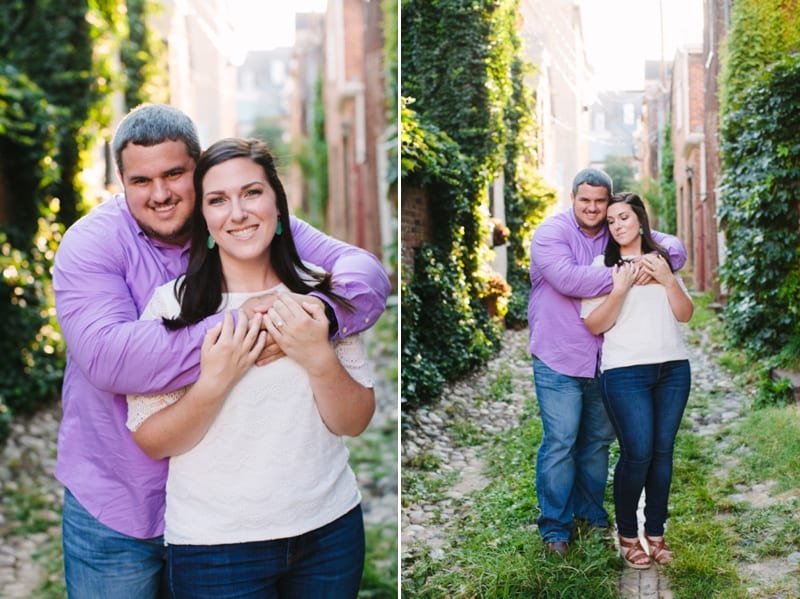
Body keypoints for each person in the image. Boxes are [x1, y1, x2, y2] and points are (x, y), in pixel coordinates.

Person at [52, 104, 390, 597]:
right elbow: (109, 357)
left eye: (174, 174)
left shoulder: (242, 224)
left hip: (251, 516)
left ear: (199, 166)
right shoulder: (92, 244)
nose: (161, 193)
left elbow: (364, 275)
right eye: (141, 181)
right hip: (121, 502)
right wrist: (251, 324)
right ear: (121, 183)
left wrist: (317, 320)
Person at [124, 137, 375, 597]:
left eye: (252, 193)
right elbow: (151, 439)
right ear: (205, 219)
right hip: (216, 549)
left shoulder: (320, 295)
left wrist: (317, 356)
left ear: (278, 204)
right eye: (218, 200)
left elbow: (354, 420)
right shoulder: (171, 306)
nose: (237, 213)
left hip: (329, 531)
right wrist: (214, 382)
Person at [528, 168, 686, 556]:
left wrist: (657, 262)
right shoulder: (552, 233)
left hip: (606, 358)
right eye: (586, 201)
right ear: (572, 198)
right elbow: (568, 279)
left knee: (597, 443)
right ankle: (556, 530)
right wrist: (631, 272)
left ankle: (593, 517)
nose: (595, 208)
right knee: (562, 441)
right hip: (560, 354)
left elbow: (673, 248)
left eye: (601, 201)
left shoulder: (615, 230)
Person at [581, 192, 693, 569]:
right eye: (610, 221)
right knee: (637, 452)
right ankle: (628, 534)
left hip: (673, 369)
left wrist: (666, 279)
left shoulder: (664, 261)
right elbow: (595, 324)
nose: (617, 225)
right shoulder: (601, 266)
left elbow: (685, 314)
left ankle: (656, 534)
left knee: (663, 453)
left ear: (641, 221)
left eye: (623, 217)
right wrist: (620, 288)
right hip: (625, 372)